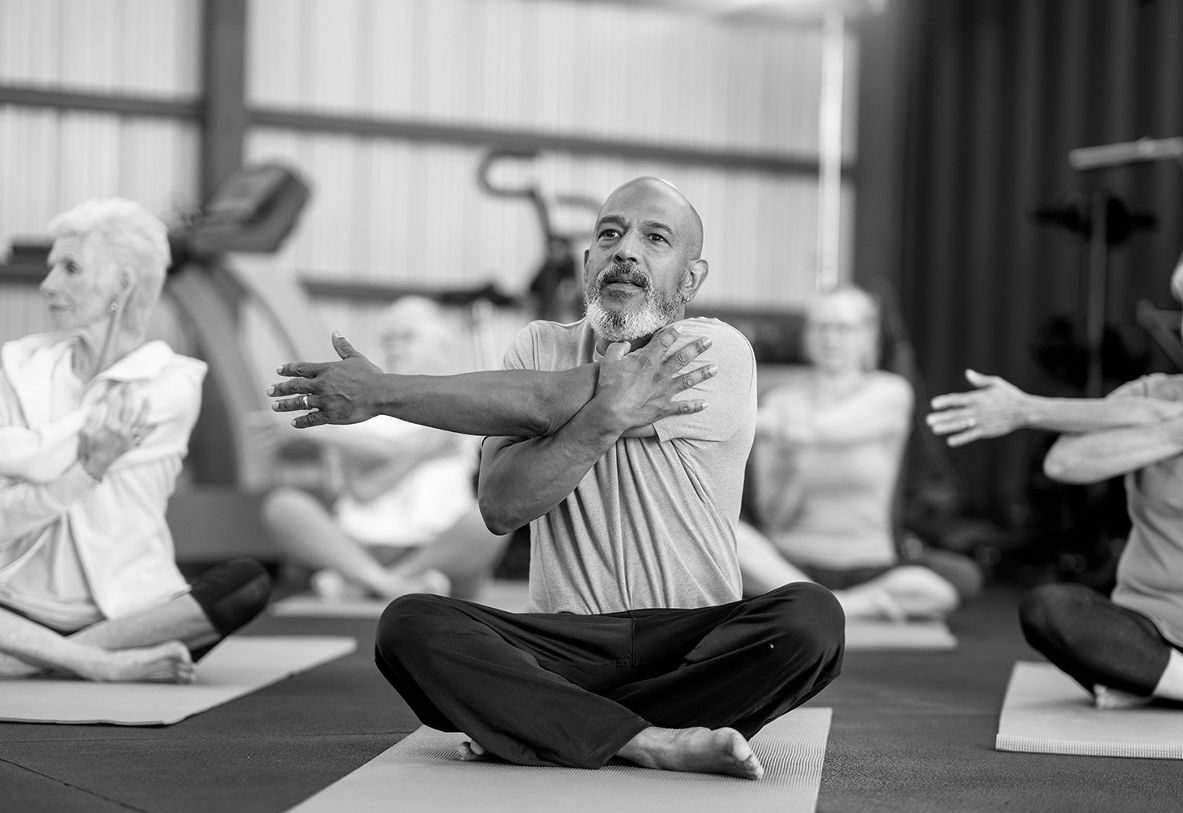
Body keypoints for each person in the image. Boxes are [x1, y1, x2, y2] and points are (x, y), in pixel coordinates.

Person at [267, 177, 845, 778]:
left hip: (691, 647)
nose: (626, 250)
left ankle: (546, 724)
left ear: (691, 279)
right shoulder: (538, 346)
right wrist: (601, 422)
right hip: (565, 646)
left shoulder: (716, 351)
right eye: (610, 234)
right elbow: (500, 507)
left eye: (655, 239)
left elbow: (548, 401)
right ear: (588, 260)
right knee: (408, 625)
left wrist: (383, 391)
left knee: (812, 619)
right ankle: (649, 741)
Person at [930, 239, 1183, 713]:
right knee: (1049, 610)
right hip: (1147, 630)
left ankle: (1164, 680)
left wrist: (1027, 409)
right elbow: (1064, 463)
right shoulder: (1151, 391)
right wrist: (1181, 432)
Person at [0, 198, 270, 683]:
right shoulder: (17, 366)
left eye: (70, 268)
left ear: (121, 283)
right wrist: (85, 468)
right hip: (16, 602)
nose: (48, 284)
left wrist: (39, 456)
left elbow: (32, 460)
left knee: (245, 583)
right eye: (51, 268)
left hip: (131, 615)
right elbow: (20, 483)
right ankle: (92, 661)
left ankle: (32, 658)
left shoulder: (172, 381)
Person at [737, 286, 984, 621]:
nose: (830, 338)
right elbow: (774, 515)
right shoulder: (780, 402)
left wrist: (772, 426)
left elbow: (834, 427)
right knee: (734, 540)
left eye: (843, 328)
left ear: (868, 337)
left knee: (950, 583)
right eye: (820, 327)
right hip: (787, 562)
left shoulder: (890, 393)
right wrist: (793, 466)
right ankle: (836, 602)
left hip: (868, 566)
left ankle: (822, 605)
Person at [259, 296, 509, 600]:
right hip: (357, 545)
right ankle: (389, 582)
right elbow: (364, 489)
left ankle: (374, 582)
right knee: (283, 506)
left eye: (407, 337)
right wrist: (419, 450)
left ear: (440, 349)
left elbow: (388, 452)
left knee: (493, 513)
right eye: (388, 339)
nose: (395, 346)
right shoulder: (355, 405)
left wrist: (317, 435)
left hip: (435, 547)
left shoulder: (460, 398)